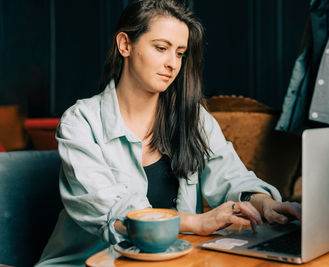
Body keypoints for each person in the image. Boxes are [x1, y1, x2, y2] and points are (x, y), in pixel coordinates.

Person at [36, 0, 301, 266]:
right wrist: (198, 222)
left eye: (180, 53)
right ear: (125, 45)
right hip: (87, 263)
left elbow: (230, 176)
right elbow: (115, 213)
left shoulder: (193, 117)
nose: (172, 64)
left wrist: (263, 203)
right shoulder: (81, 122)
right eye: (161, 48)